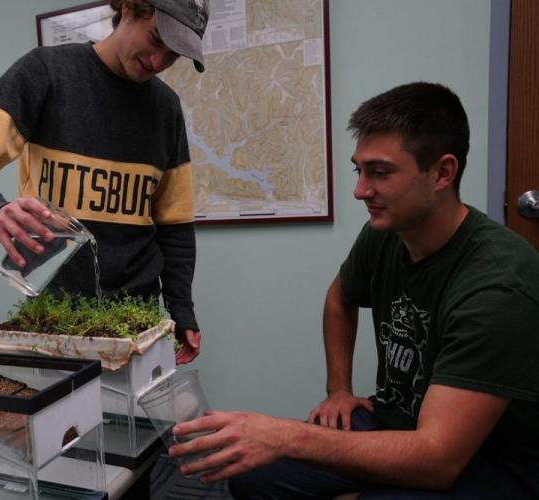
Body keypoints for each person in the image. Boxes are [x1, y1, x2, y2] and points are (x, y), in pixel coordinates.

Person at [169, 82, 539, 498]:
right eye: (358, 171)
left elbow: (437, 459)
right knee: (251, 475)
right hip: (399, 420)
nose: (360, 190)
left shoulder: (498, 286)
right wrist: (338, 390)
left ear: (443, 172)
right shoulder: (387, 233)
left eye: (380, 173)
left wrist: (283, 435)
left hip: (490, 460)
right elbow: (340, 297)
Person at [0, 0, 210, 364]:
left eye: (173, 55)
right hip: (53, 317)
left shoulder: (166, 108)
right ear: (129, 8)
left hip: (137, 324)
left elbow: (174, 227)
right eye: (156, 39)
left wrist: (181, 309)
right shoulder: (46, 72)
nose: (158, 62)